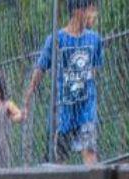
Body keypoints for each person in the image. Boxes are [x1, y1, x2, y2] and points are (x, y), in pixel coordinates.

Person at [23, 0, 103, 165]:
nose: (95, 15)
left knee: (89, 150)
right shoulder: (56, 39)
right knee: (60, 158)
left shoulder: (95, 40)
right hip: (63, 110)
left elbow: (94, 69)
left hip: (86, 108)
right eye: (92, 10)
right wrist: (30, 92)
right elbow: (41, 68)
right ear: (78, 11)